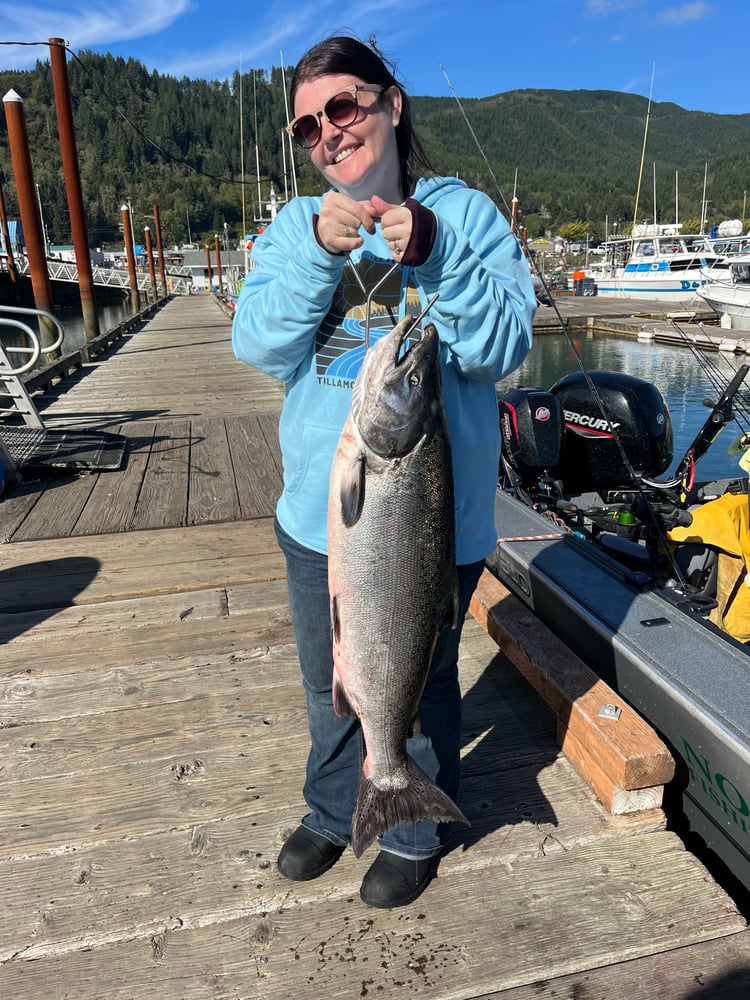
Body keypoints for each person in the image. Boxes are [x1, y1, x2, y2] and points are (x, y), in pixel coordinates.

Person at [232, 34, 536, 908]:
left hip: (433, 522)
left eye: (343, 107)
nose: (328, 133)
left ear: (392, 105)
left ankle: (409, 822)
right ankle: (335, 810)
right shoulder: (297, 225)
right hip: (318, 512)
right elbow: (258, 342)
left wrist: (436, 250)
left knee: (415, 675)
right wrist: (317, 252)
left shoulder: (466, 216)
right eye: (307, 126)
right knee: (333, 677)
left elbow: (505, 347)